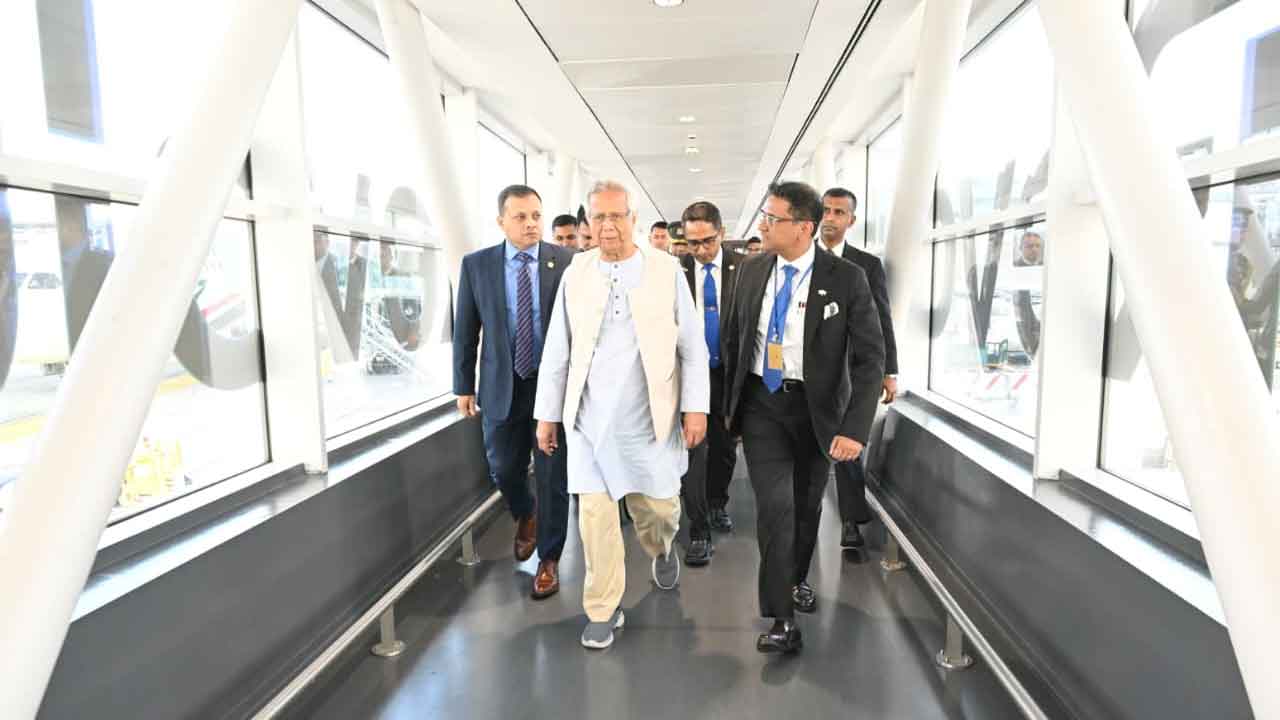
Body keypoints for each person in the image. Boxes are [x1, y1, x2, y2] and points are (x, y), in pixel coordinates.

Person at [534, 179, 709, 651]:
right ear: (588, 223)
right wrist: (547, 416)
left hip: (648, 416)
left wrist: (695, 408)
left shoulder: (666, 269)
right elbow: (557, 348)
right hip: (589, 419)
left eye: (617, 215)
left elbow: (693, 346)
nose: (608, 225)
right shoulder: (576, 272)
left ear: (633, 219)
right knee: (594, 517)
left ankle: (662, 546)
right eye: (599, 217)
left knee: (658, 509)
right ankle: (602, 608)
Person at [724, 181, 883, 653]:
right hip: (763, 404)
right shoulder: (750, 271)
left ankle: (794, 578)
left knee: (806, 506)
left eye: (772, 219)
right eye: (764, 216)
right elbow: (734, 341)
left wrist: (855, 429)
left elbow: (870, 359)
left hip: (817, 411)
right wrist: (726, 411)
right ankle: (782, 619)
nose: (763, 225)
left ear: (803, 227)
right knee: (775, 507)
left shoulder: (847, 279)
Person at [453, 184, 575, 600]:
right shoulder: (477, 265)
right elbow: (465, 330)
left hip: (551, 386)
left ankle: (549, 559)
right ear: (501, 221)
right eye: (521, 217)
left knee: (553, 475)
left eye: (536, 216)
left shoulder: (566, 262)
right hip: (501, 384)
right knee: (503, 468)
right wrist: (463, 385)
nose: (531, 224)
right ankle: (526, 512)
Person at [818, 187, 899, 551]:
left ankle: (851, 520)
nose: (830, 218)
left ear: (851, 221)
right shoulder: (801, 260)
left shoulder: (866, 265)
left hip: (849, 374)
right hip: (805, 372)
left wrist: (889, 371)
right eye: (825, 210)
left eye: (839, 212)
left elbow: (882, 321)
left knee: (847, 445)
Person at [680, 201, 742, 560]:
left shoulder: (744, 269)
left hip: (727, 375)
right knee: (694, 451)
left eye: (708, 241)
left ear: (722, 233)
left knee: (724, 448)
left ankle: (718, 502)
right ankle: (698, 529)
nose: (701, 250)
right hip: (690, 376)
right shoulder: (675, 272)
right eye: (693, 243)